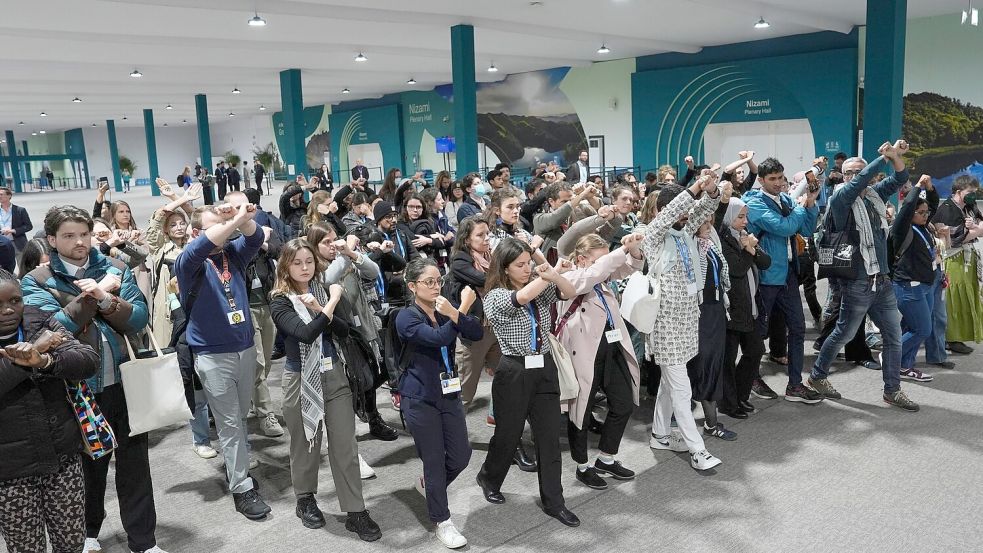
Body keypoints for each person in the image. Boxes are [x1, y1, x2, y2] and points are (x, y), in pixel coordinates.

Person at [21, 206, 165, 553]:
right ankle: (88, 532)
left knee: (135, 465)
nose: (80, 242)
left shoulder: (114, 266)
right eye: (69, 236)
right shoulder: (38, 280)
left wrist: (106, 298)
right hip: (76, 391)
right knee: (86, 466)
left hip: (125, 383)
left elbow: (139, 318)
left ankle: (143, 542)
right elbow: (50, 330)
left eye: (84, 234)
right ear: (52, 240)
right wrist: (94, 296)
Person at [269, 238, 382, 541]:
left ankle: (355, 511)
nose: (304, 267)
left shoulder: (321, 289)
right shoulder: (279, 299)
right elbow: (305, 334)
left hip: (336, 379)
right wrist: (330, 303)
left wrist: (322, 305)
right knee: (305, 445)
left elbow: (345, 331)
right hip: (300, 380)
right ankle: (305, 499)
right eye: (297, 263)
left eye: (308, 261)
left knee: (346, 446)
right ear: (286, 266)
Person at [174, 201, 273, 519]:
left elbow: (255, 238)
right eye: (214, 226)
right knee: (230, 424)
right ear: (195, 231)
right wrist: (234, 222)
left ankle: (238, 466)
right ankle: (242, 487)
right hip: (212, 355)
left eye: (224, 225)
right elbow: (207, 242)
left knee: (241, 418)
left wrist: (242, 219)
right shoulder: (188, 261)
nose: (223, 232)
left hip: (244, 348)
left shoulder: (233, 256)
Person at [476, 238, 581, 528]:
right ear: (505, 268)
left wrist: (554, 273)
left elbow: (570, 291)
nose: (526, 269)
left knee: (548, 438)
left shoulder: (537, 284)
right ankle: (489, 476)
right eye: (520, 265)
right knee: (508, 437)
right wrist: (545, 274)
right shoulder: (495, 296)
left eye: (528, 263)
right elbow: (520, 298)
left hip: (544, 367)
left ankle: (554, 502)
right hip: (513, 371)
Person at [809, 140, 920, 412]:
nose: (856, 176)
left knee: (893, 337)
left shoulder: (873, 195)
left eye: (858, 171)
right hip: (856, 282)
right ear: (843, 176)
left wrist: (895, 157)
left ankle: (892, 390)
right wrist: (881, 158)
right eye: (850, 172)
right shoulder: (839, 199)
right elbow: (859, 183)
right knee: (843, 334)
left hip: (881, 281)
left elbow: (902, 177)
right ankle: (817, 376)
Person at [0, 268, 100, 553]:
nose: (8, 310)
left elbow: (86, 359)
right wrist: (25, 359)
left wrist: (44, 360)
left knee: (71, 543)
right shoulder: (39, 332)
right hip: (9, 471)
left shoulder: (38, 318)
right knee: (25, 547)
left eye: (15, 300)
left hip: (62, 457)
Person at [397, 258, 482, 548]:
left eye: (438, 281)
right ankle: (442, 520)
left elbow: (476, 333)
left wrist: (455, 314)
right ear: (412, 286)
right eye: (428, 282)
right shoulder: (406, 316)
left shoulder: (444, 310)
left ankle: (432, 488)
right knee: (433, 461)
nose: (436, 287)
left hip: (449, 393)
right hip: (420, 397)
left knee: (461, 456)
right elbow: (436, 339)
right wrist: (461, 309)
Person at [641, 176, 723, 471]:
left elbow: (708, 205)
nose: (687, 217)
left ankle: (660, 435)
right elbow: (673, 212)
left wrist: (711, 189)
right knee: (681, 389)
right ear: (664, 211)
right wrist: (695, 187)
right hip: (665, 326)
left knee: (668, 383)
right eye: (681, 212)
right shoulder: (653, 235)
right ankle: (697, 450)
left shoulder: (685, 231)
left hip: (688, 321)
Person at [558, 233, 643, 490]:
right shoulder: (571, 276)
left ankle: (606, 458)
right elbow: (594, 275)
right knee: (580, 412)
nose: (606, 264)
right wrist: (621, 250)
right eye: (600, 258)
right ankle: (582, 466)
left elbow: (627, 267)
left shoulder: (599, 275)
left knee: (624, 403)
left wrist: (635, 250)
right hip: (584, 353)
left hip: (611, 348)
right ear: (583, 259)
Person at [307, 221, 384, 477]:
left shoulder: (345, 259)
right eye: (325, 242)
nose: (333, 245)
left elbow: (372, 272)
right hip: (335, 341)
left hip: (361, 331)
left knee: (365, 383)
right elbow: (328, 280)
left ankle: (356, 436)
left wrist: (352, 253)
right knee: (344, 395)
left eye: (334, 239)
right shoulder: (313, 268)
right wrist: (345, 253)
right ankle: (347, 452)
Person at [743, 157, 822, 403]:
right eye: (772, 179)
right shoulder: (754, 203)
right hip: (765, 276)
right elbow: (785, 227)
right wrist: (800, 208)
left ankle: (795, 384)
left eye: (781, 178)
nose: (778, 183)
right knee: (760, 332)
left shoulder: (786, 199)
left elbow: (807, 230)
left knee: (797, 328)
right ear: (761, 180)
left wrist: (810, 202)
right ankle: (751, 377)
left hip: (788, 273)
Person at [717, 197, 770, 419]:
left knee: (755, 351)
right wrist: (749, 250)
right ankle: (728, 403)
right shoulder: (722, 239)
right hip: (732, 309)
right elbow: (736, 269)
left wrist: (751, 248)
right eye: (740, 216)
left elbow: (765, 262)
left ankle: (740, 395)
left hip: (750, 307)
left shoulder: (743, 236)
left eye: (745, 216)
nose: (744, 221)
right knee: (728, 360)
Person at [445, 217, 500, 426]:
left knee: (506, 380)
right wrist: (506, 275)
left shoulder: (490, 257)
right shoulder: (460, 260)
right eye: (480, 235)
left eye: (488, 234)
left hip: (496, 328)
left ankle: (499, 421)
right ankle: (451, 435)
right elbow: (485, 281)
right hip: (473, 335)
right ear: (467, 240)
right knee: (465, 393)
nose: (486, 239)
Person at [890, 175, 941, 382]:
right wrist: (917, 186)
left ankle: (904, 366)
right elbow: (909, 205)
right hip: (909, 286)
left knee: (913, 327)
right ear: (910, 214)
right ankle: (892, 356)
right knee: (922, 329)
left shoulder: (921, 225)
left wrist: (929, 188)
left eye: (926, 212)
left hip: (925, 285)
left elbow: (933, 204)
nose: (925, 215)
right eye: (920, 213)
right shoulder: (903, 228)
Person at [930, 174, 983, 356]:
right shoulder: (945, 210)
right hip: (953, 259)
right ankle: (951, 338)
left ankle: (960, 334)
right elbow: (952, 241)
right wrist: (975, 231)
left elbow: (980, 222)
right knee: (953, 299)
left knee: (966, 295)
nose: (973, 196)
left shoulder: (969, 206)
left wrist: (975, 229)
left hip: (967, 257)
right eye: (970, 192)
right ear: (959, 191)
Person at [0, 186, 33, 253]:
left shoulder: (20, 210)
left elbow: (28, 226)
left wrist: (13, 230)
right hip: (2, 244)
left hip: (18, 243)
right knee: (5, 263)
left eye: (1, 194)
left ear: (9, 196)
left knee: (22, 263)